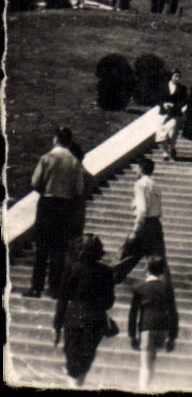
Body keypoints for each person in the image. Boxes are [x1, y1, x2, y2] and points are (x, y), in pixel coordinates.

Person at [29, 127, 90, 298]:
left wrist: (45, 189)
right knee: (59, 248)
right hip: (65, 206)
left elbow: (35, 182)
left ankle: (36, 287)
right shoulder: (74, 162)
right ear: (69, 141)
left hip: (47, 203)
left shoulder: (47, 158)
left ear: (55, 139)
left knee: (42, 247)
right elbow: (79, 189)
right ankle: (54, 288)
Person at [54, 233, 118, 385]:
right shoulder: (106, 272)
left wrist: (57, 327)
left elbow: (62, 300)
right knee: (84, 363)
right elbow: (109, 303)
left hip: (74, 318)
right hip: (95, 321)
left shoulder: (72, 269)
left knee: (72, 364)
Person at [128, 254, 179, 389]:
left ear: (147, 269)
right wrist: (172, 336)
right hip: (163, 327)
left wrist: (132, 335)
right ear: (162, 271)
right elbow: (173, 312)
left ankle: (143, 389)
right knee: (152, 360)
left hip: (147, 326)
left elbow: (133, 314)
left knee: (145, 364)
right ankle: (147, 387)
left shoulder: (140, 288)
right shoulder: (167, 288)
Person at [114, 158, 165, 280]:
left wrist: (136, 229)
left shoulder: (140, 185)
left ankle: (108, 281)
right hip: (156, 225)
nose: (136, 171)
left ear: (141, 169)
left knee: (124, 258)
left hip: (144, 226)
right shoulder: (156, 185)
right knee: (157, 261)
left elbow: (142, 209)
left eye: (137, 168)